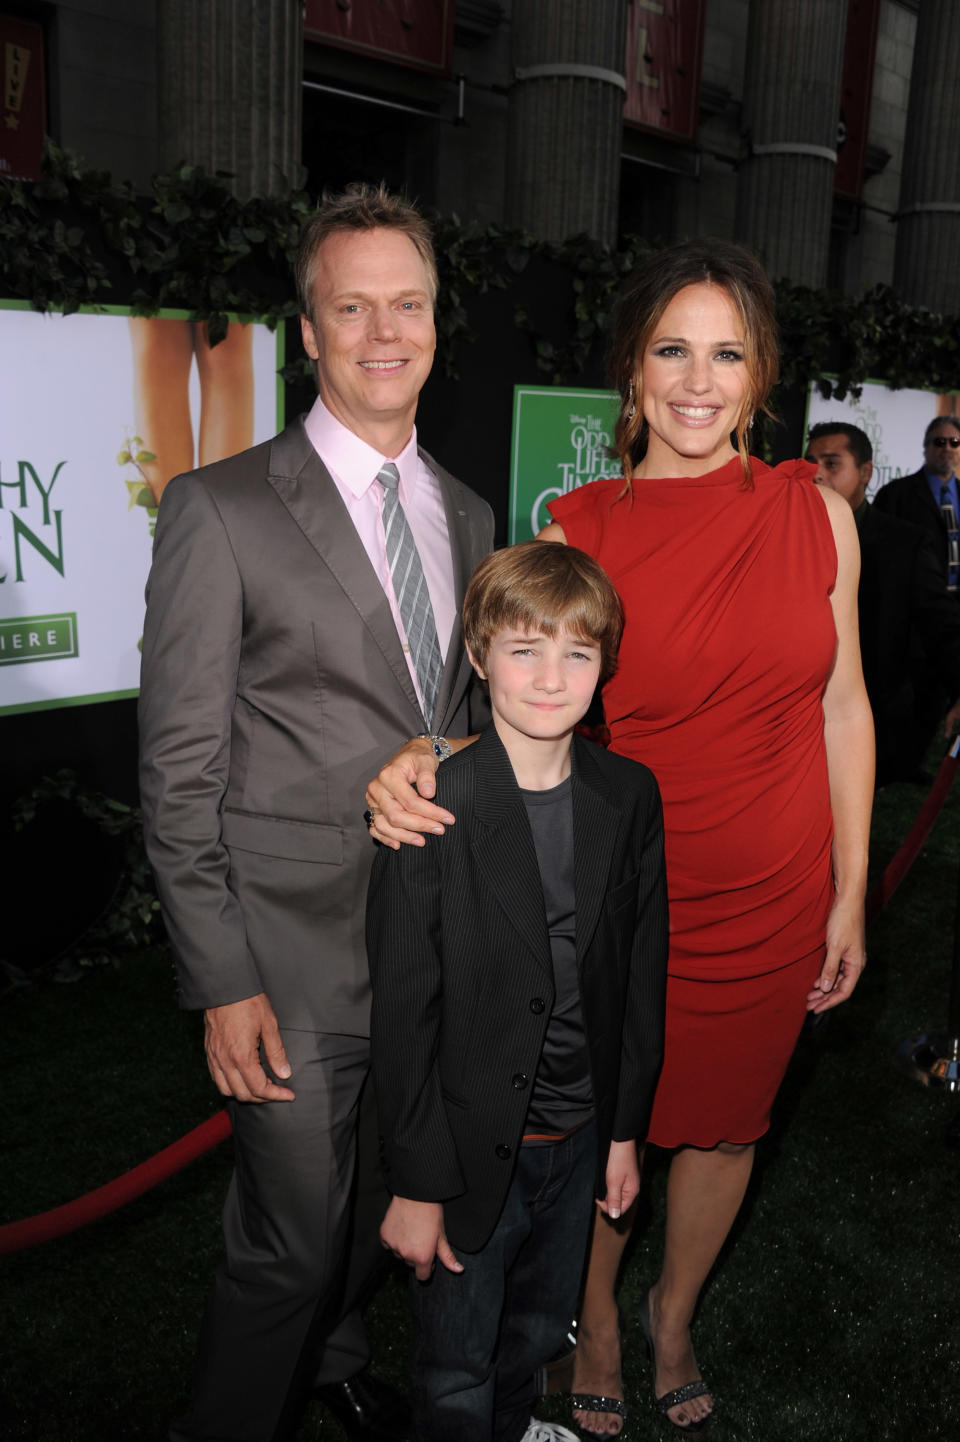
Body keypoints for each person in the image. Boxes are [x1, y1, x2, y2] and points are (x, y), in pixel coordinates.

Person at [365, 239, 874, 1437]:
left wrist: (854, 891)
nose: (699, 380)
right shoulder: (582, 522)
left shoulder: (822, 515)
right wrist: (419, 756)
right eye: (672, 350)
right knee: (606, 1116)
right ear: (632, 373)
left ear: (761, 378)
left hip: (777, 885)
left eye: (728, 353)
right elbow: (517, 688)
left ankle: (673, 1314)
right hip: (618, 890)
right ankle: (591, 1317)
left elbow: (842, 704)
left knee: (730, 1122)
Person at [138, 183, 494, 1442]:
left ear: (438, 321)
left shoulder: (468, 513)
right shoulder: (220, 508)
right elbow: (177, 770)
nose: (384, 332)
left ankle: (337, 1357)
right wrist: (220, 978)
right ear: (309, 328)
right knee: (288, 1239)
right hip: (282, 959)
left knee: (378, 1198)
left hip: (418, 945)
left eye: (408, 304)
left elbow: (451, 724)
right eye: (354, 307)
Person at [366, 540, 669, 1442]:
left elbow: (638, 975)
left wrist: (623, 1130)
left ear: (605, 665)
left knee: (537, 1332)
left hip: (580, 1141)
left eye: (578, 653)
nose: (550, 677)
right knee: (455, 1361)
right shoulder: (432, 805)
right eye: (524, 649)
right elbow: (403, 1013)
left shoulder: (629, 794)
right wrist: (417, 1185)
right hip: (464, 1152)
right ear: (478, 653)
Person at [806, 420, 960, 783]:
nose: (816, 475)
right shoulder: (784, 533)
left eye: (831, 464)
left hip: (871, 720)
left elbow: (942, 623)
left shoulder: (904, 546)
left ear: (865, 472)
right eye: (810, 462)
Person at [872, 413, 960, 596]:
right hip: (912, 603)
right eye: (940, 442)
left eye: (955, 442)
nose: (948, 448)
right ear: (925, 448)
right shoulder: (895, 494)